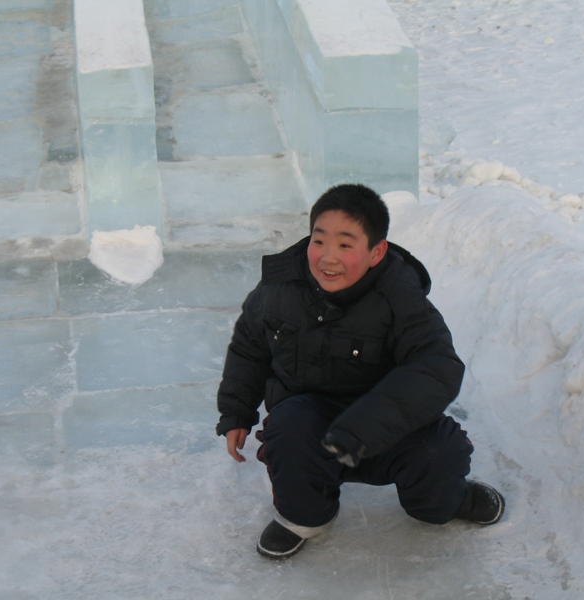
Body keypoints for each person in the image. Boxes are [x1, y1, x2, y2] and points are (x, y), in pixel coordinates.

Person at [215, 183, 504, 559]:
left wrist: (364, 426)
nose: (327, 258)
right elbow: (249, 347)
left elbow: (437, 365)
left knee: (437, 457)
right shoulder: (279, 288)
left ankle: (452, 501)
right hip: (310, 424)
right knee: (288, 430)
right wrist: (237, 410)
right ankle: (303, 518)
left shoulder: (400, 294)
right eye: (319, 241)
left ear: (376, 252)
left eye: (346, 245)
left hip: (386, 426)